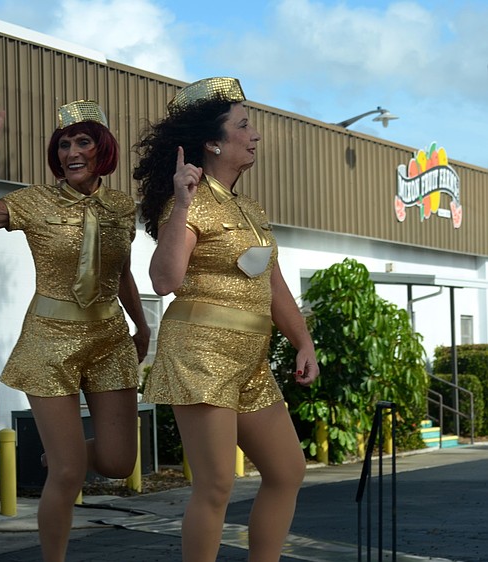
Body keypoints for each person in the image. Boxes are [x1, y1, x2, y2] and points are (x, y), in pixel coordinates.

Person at [0, 102, 150, 562]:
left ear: (102, 149)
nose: (72, 152)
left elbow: (123, 273)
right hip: (50, 340)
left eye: (82, 142)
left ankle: (62, 453)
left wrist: (142, 323)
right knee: (70, 473)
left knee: (119, 462)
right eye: (63, 145)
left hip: (110, 336)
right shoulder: (34, 200)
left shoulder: (119, 206)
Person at [133, 77, 320, 562]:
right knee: (216, 485)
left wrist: (303, 341)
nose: (254, 134)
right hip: (201, 354)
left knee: (287, 470)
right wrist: (181, 204)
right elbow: (164, 280)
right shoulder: (187, 200)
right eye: (244, 125)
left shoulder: (250, 208)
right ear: (214, 142)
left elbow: (272, 283)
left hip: (251, 360)